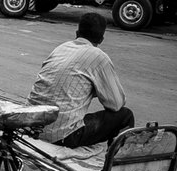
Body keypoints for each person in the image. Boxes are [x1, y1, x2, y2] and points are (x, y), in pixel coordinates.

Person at [28, 12, 134, 148]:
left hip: (30, 124)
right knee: (125, 116)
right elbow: (115, 104)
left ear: (77, 33)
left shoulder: (61, 48)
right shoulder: (98, 57)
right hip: (61, 135)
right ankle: (114, 164)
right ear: (101, 39)